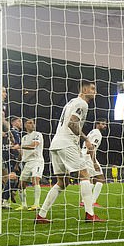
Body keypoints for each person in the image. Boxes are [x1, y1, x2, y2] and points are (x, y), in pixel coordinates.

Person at [35, 80, 105, 223]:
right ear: (84, 89)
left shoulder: (71, 102)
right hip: (66, 143)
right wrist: (86, 139)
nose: (94, 92)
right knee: (84, 174)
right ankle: (90, 214)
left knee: (63, 181)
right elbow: (72, 123)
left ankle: (41, 215)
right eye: (92, 89)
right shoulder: (82, 104)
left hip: (56, 144)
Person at [15, 119, 44, 211]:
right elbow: (22, 153)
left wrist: (20, 146)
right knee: (21, 184)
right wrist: (17, 164)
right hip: (27, 163)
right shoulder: (24, 138)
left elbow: (33, 146)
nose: (32, 124)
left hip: (37, 161)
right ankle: (24, 205)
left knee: (35, 179)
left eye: (33, 123)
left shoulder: (37, 134)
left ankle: (36, 204)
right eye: (30, 123)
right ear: (25, 125)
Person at [80, 118, 107, 208]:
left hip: (83, 155)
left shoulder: (92, 132)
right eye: (103, 124)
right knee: (101, 178)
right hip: (88, 156)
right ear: (97, 124)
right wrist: (94, 162)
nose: (105, 126)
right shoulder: (97, 133)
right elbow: (91, 147)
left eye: (105, 124)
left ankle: (84, 201)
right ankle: (93, 202)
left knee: (89, 179)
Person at [2, 116, 22, 208]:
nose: (20, 123)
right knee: (12, 177)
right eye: (19, 121)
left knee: (15, 178)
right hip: (11, 157)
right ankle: (4, 199)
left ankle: (11, 193)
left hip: (11, 156)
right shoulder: (14, 131)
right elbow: (16, 145)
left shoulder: (14, 132)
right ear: (13, 122)